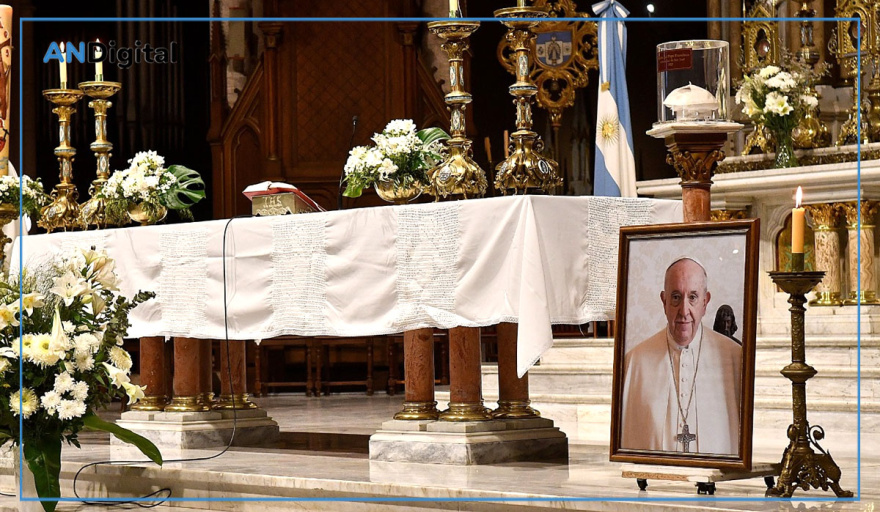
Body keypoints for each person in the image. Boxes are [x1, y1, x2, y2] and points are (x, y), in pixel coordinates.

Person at [621, 257, 742, 455]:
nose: (684, 311)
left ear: (705, 302)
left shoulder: (735, 358)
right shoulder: (634, 362)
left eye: (693, 297)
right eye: (676, 297)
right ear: (664, 301)